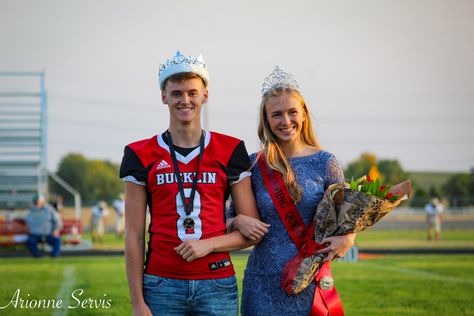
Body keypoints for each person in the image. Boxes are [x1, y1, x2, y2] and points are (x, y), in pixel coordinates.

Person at [119, 51, 268, 316]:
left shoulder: (230, 149)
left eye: (192, 92)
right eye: (176, 93)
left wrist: (208, 244)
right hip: (161, 282)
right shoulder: (140, 154)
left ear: (205, 95)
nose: (184, 100)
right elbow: (133, 234)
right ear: (164, 96)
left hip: (217, 283)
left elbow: (252, 231)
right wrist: (137, 302)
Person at [231, 66, 355, 315]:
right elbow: (225, 220)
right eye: (276, 114)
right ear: (266, 120)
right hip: (262, 283)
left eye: (292, 112)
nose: (285, 121)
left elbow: (347, 216)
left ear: (304, 115)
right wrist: (237, 220)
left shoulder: (326, 162)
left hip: (309, 281)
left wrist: (349, 238)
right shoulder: (253, 165)